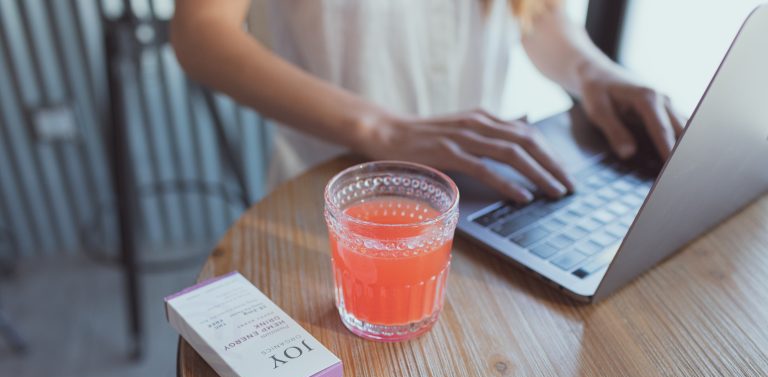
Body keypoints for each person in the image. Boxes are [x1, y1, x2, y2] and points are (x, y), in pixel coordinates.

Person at [171, 0, 685, 203]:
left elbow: (532, 9)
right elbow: (201, 33)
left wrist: (591, 70)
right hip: (331, 194)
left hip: (480, 192)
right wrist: (384, 128)